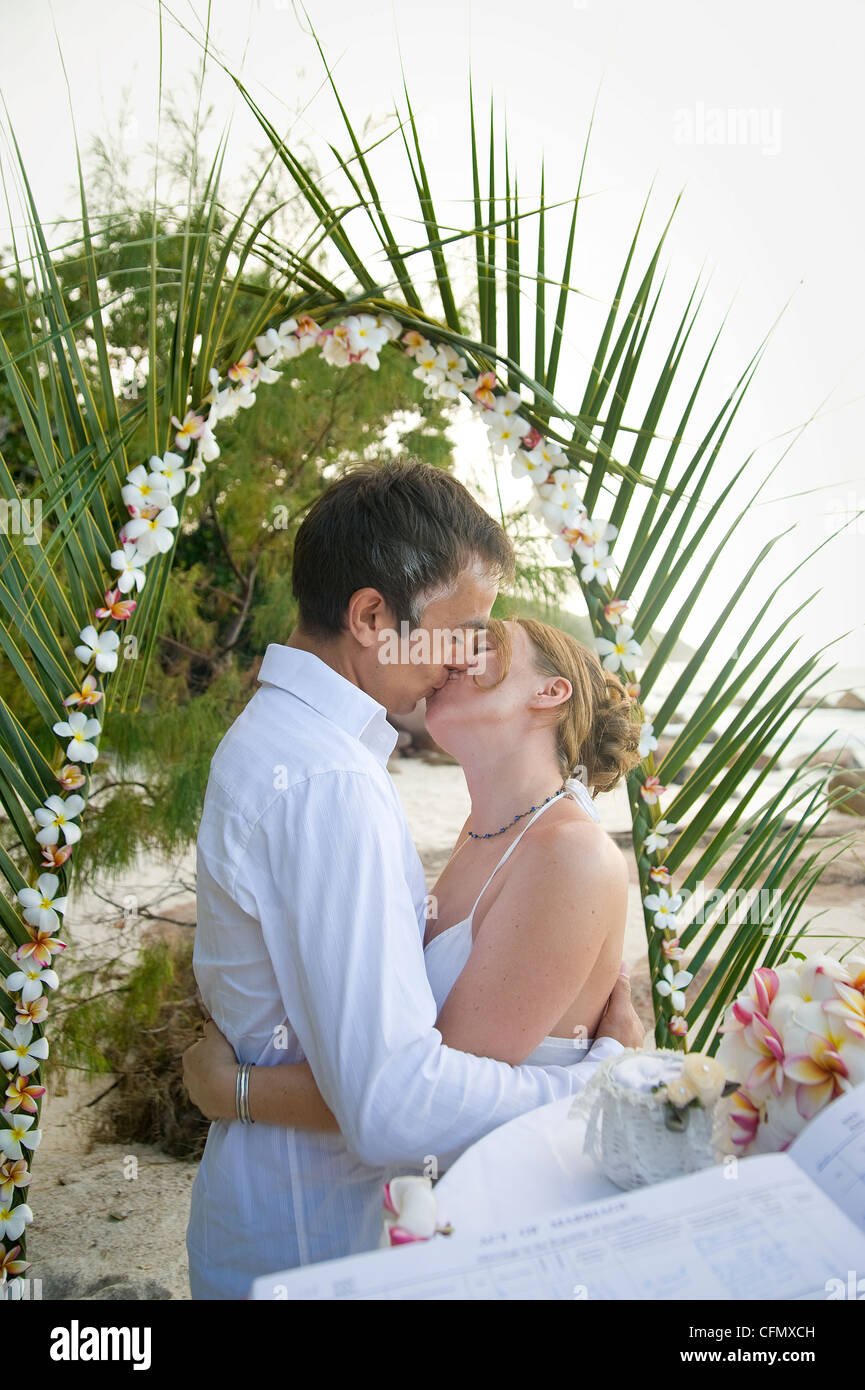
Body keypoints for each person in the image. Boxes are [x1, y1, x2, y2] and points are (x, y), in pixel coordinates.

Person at [185, 458, 644, 1300]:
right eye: (462, 626)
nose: (466, 654)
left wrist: (239, 1089)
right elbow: (393, 1101)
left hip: (312, 1217)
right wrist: (596, 1079)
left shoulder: (303, 752)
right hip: (314, 1238)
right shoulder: (330, 784)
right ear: (369, 615)